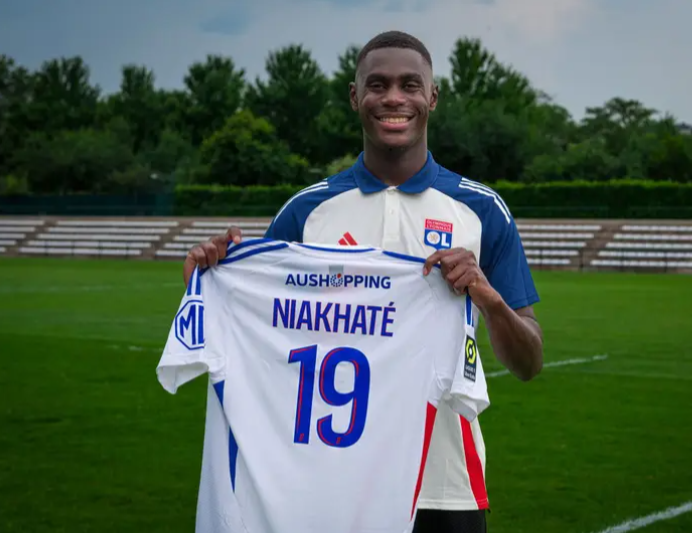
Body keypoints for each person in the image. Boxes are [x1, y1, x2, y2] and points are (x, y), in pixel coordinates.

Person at [183, 30, 544, 533]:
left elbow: (529, 362)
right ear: (355, 97)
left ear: (432, 97)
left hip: (443, 485)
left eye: (410, 85)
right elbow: (259, 344)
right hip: (328, 481)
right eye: (377, 85)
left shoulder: (480, 210)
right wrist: (210, 284)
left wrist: (490, 300)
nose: (393, 98)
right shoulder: (307, 213)